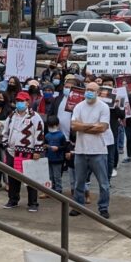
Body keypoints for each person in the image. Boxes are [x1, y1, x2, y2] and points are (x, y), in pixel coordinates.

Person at [69, 82, 111, 218]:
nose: (89, 92)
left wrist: (83, 126)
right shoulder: (79, 106)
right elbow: (74, 126)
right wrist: (92, 126)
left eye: (92, 90)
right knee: (79, 182)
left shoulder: (103, 107)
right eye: (87, 89)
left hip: (98, 150)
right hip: (81, 150)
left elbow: (102, 128)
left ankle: (103, 208)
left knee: (103, 183)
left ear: (98, 92)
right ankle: (78, 206)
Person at [2, 90, 45, 211]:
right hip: (11, 151)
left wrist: (37, 150)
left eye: (21, 101)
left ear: (27, 102)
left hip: (28, 152)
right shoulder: (11, 116)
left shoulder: (35, 117)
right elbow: (5, 131)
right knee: (12, 177)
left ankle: (33, 203)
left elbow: (39, 134)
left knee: (30, 178)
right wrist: (5, 144)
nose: (19, 103)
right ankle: (13, 200)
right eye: (17, 101)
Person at [43, 114, 72, 201]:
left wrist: (58, 148)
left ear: (57, 125)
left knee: (57, 176)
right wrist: (45, 147)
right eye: (50, 126)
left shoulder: (61, 135)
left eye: (53, 125)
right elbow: (45, 145)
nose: (51, 127)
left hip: (58, 159)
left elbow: (64, 147)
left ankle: (58, 190)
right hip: (49, 158)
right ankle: (51, 189)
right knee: (50, 176)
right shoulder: (47, 135)